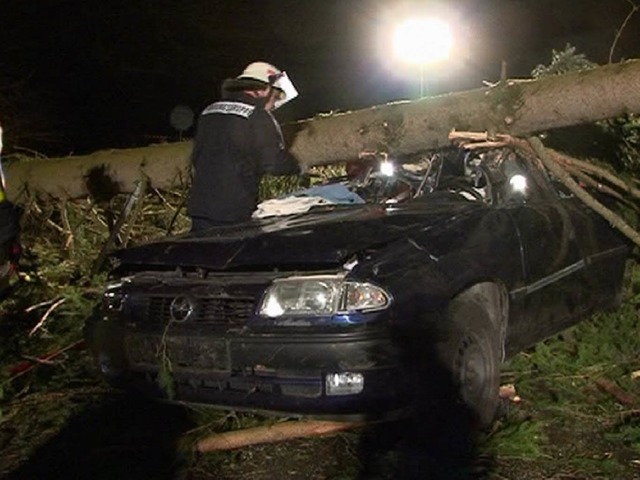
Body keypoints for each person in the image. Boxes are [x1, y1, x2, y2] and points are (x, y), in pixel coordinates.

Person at [187, 61, 301, 232]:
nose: (274, 104)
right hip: (233, 212)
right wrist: (298, 166)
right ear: (263, 90)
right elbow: (274, 163)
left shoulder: (209, 111)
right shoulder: (258, 116)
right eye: (276, 97)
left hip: (200, 208)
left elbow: (196, 157)